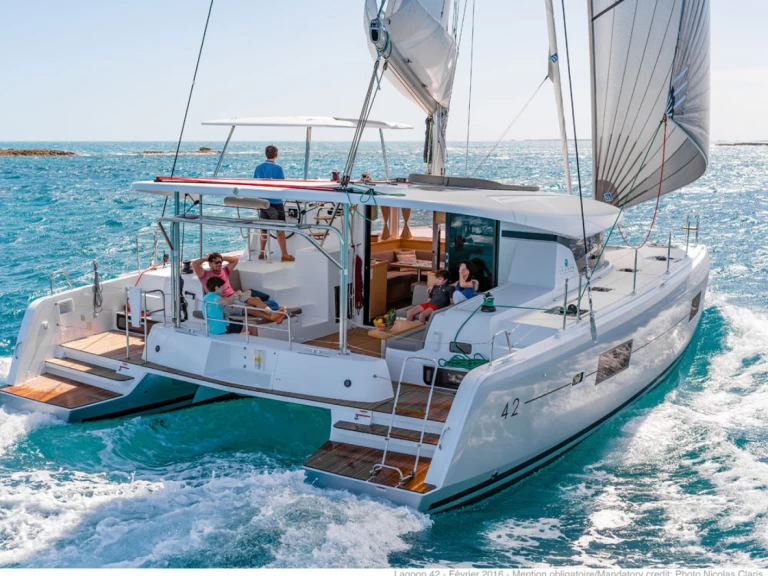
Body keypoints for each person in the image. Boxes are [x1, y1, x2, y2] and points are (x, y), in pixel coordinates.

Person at [192, 252, 285, 322]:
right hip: (224, 301)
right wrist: (206, 258)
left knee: (256, 299)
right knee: (248, 308)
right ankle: (272, 317)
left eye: (220, 262)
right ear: (210, 263)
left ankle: (272, 313)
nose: (219, 264)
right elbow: (195, 264)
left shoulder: (224, 271)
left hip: (235, 295)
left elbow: (235, 259)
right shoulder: (204, 275)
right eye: (216, 262)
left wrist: (221, 257)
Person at [254, 145, 294, 262]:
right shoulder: (278, 168)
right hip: (275, 202)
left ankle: (262, 252)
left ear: (265, 154)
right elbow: (282, 185)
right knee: (280, 229)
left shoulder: (258, 168)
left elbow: (254, 183)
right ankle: (285, 254)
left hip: (262, 202)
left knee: (264, 229)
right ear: (276, 155)